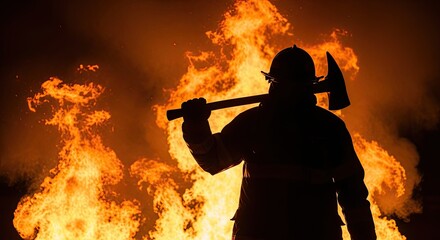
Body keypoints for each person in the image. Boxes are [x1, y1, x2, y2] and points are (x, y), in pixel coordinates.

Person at [180, 45, 376, 240]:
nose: (289, 92)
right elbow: (213, 160)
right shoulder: (254, 123)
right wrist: (195, 126)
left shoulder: (329, 129)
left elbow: (354, 198)